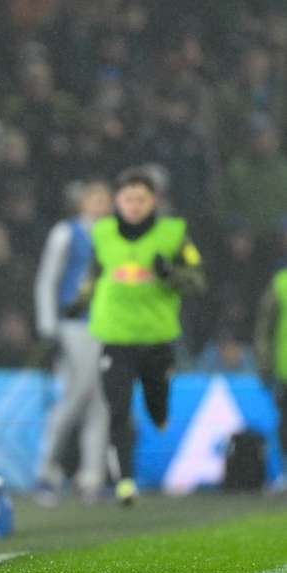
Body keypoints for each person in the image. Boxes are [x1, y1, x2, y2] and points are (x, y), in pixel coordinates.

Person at [87, 168, 205, 506]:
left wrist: (171, 274)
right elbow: (94, 276)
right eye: (127, 199)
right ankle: (125, 482)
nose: (134, 206)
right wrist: (77, 303)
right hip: (116, 336)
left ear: (153, 201)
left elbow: (198, 280)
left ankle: (159, 407)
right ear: (117, 202)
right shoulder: (103, 233)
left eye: (141, 199)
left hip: (156, 338)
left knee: (157, 409)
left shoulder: (173, 234)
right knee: (117, 409)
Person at [33, 181, 112, 505]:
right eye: (94, 197)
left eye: (103, 197)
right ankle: (47, 470)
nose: (99, 203)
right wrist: (48, 326)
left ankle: (91, 477)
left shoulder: (112, 236)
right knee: (78, 394)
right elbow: (47, 278)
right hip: (75, 323)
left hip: (107, 325)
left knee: (100, 403)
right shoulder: (66, 233)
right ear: (81, 202)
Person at [253, 267, 287, 484]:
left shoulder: (280, 284)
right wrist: (265, 364)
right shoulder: (280, 284)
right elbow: (265, 328)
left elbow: (264, 329)